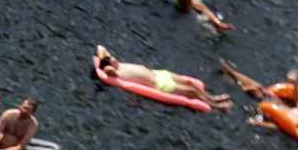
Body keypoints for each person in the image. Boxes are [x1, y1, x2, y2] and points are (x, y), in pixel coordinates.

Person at [93, 46, 233, 109]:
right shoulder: (114, 71)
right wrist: (104, 64)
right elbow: (106, 68)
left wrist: (105, 58)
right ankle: (216, 105)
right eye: (112, 59)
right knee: (191, 92)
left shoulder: (119, 65)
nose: (115, 58)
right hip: (158, 83)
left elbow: (100, 48)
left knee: (188, 82)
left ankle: (213, 97)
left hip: (159, 74)